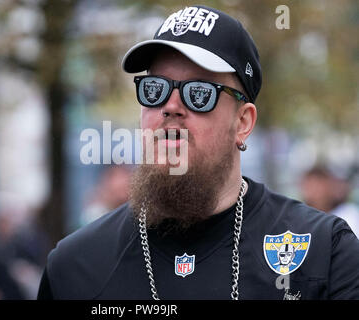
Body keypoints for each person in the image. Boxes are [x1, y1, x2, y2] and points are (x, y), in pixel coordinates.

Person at [37, 5, 359, 300]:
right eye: (155, 89)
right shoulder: (74, 266)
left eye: (199, 93)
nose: (170, 107)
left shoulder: (324, 253)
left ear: (243, 122)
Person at [301, 165, 359, 237]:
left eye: (319, 185)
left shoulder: (349, 214)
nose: (315, 191)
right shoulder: (299, 218)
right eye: (310, 186)